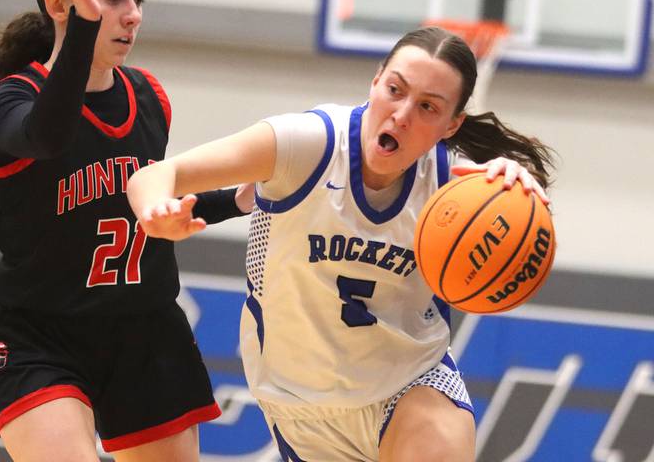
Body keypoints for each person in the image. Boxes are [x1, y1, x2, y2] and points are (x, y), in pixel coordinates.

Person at [127, 26, 555, 461]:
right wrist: (154, 214)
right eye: (395, 90)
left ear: (452, 125)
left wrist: (513, 190)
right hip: (298, 400)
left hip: (409, 383)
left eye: (428, 107)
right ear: (375, 81)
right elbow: (153, 176)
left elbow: (518, 228)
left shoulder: (457, 190)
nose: (402, 114)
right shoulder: (306, 144)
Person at [0, 0, 252, 460]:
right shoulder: (12, 102)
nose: (133, 14)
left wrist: (242, 198)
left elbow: (150, 198)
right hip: (40, 334)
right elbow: (49, 135)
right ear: (59, 4)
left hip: (143, 330)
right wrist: (83, 27)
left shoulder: (149, 97)